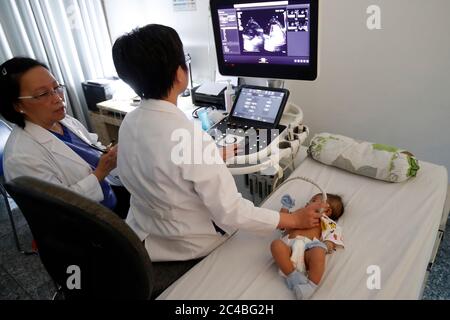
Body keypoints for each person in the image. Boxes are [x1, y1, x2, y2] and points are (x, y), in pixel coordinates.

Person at [112, 24, 329, 262]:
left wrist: (210, 158)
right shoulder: (190, 138)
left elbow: (162, 168)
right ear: (179, 73)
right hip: (189, 245)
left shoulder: (130, 122)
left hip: (143, 234)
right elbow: (231, 212)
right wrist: (294, 220)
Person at [0, 57, 129, 219]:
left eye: (57, 87)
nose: (57, 98)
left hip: (110, 192)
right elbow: (58, 208)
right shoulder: (21, 157)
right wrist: (100, 172)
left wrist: (109, 156)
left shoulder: (65, 121)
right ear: (17, 106)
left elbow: (93, 147)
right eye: (43, 94)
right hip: (90, 223)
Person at [271, 193, 345, 299]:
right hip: (288, 247)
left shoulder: (328, 222)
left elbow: (333, 238)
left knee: (318, 252)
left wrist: (325, 246)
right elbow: (282, 223)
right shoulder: (299, 213)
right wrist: (285, 208)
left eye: (313, 200)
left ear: (327, 211)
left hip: (307, 250)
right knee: (276, 245)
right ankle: (292, 276)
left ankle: (310, 286)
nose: (307, 203)